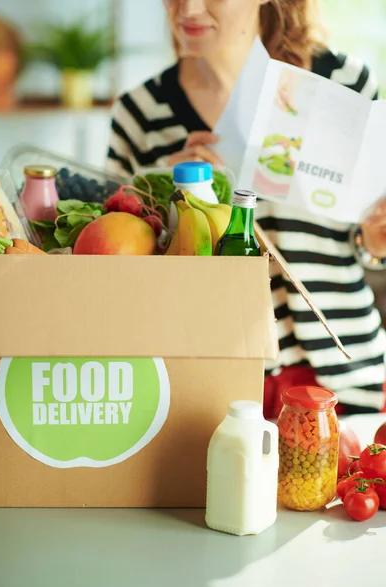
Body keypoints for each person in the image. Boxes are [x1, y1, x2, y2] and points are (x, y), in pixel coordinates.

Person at [106, 0, 386, 418]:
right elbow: (115, 273)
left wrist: (375, 243)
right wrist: (163, 192)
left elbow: (364, 240)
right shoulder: (141, 114)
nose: (189, 9)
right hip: (210, 382)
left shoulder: (344, 82)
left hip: (345, 374)